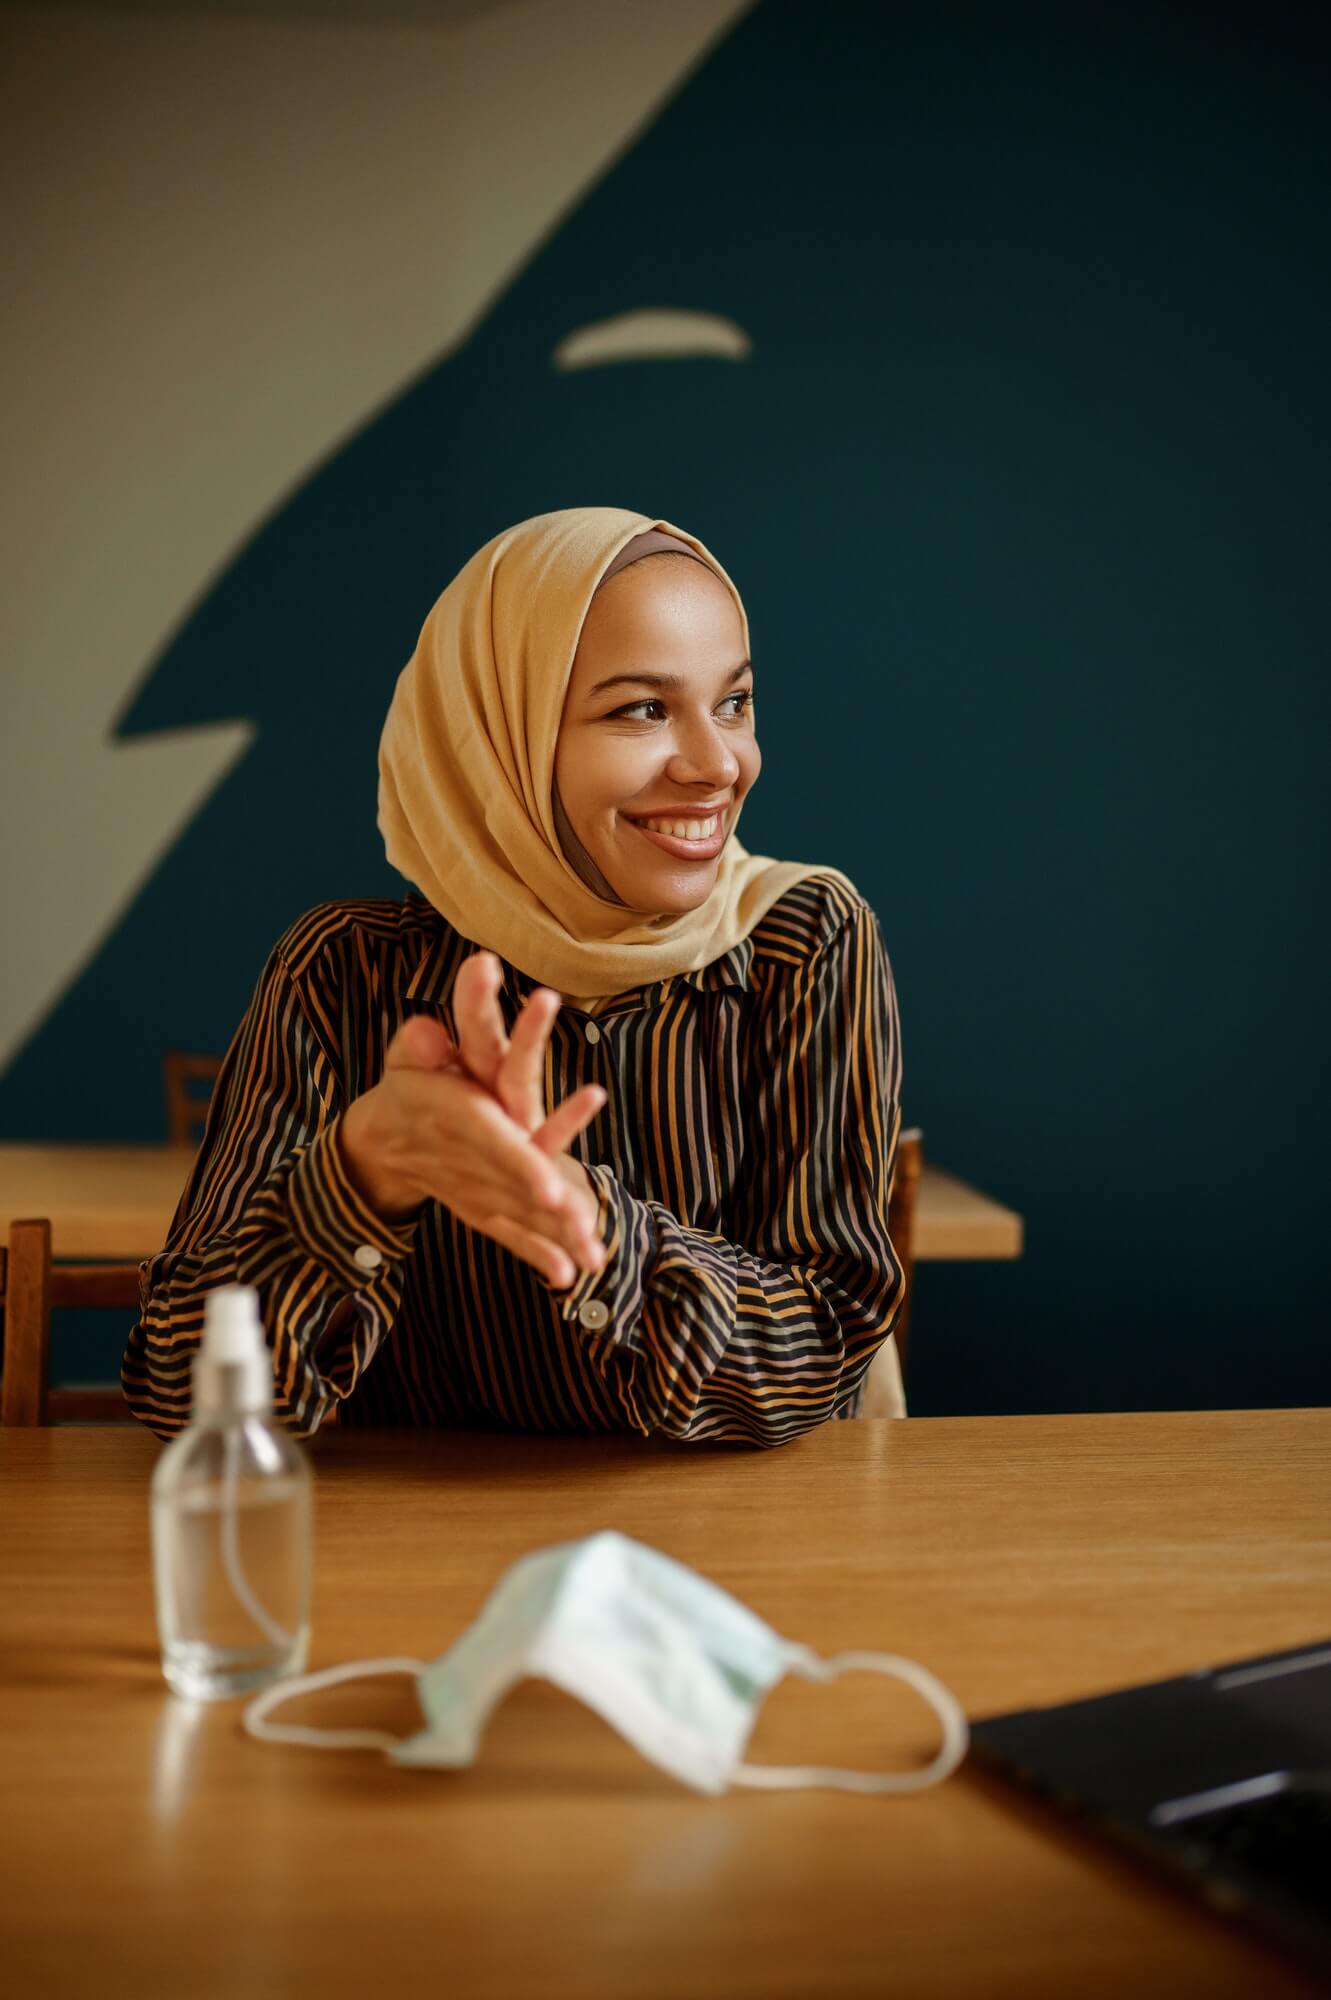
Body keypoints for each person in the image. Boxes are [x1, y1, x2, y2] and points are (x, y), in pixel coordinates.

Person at [123, 508, 905, 1445]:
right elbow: (181, 1395)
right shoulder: (342, 973)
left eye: (733, 702)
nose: (716, 765)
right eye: (642, 709)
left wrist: (595, 1232)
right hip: (406, 1567)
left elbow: (823, 1353)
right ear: (497, 741)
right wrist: (359, 1174)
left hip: (716, 1569)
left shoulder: (804, 941)